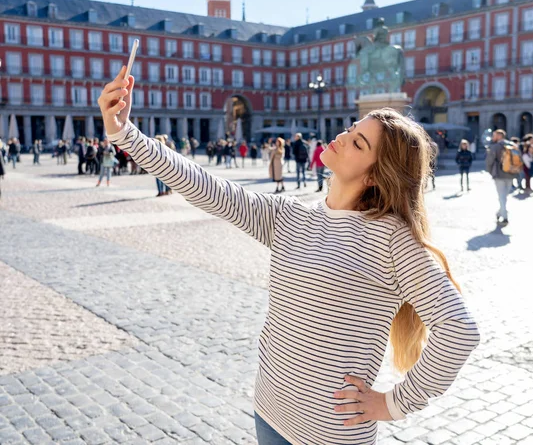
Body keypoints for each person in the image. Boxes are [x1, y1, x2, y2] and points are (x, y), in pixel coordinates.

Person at [98, 70, 480, 445]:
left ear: (375, 176)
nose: (343, 137)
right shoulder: (291, 216)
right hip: (270, 411)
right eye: (351, 129)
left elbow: (459, 330)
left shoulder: (391, 238)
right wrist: (124, 132)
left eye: (358, 143)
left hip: (330, 434)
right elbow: (206, 187)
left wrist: (392, 403)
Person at [485, 129, 516, 226]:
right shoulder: (512, 145)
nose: (493, 137)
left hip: (499, 174)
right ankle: (500, 212)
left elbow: (489, 161)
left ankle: (505, 216)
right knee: (505, 195)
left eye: (494, 135)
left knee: (501, 196)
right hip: (511, 173)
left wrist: (491, 172)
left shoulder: (495, 147)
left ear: (499, 136)